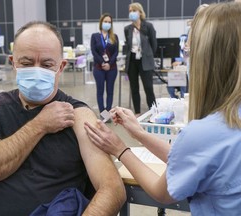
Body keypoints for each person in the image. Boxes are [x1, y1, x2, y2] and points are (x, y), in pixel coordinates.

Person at [84, 2, 241, 216]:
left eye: (190, 49)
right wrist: (138, 132)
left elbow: (162, 192)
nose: (187, 54)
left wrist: (120, 149)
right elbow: (190, 157)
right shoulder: (226, 125)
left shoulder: (204, 132)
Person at [0, 21, 125, 216]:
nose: (37, 70)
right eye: (26, 63)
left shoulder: (78, 115)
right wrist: (40, 124)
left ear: (61, 66)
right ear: (13, 62)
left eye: (47, 64)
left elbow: (112, 189)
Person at [124, 2, 157, 116]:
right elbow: (128, 46)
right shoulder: (127, 29)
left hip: (145, 61)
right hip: (132, 60)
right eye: (130, 11)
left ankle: (153, 111)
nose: (131, 13)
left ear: (140, 12)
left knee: (148, 87)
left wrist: (148, 55)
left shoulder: (148, 26)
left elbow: (154, 45)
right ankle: (137, 112)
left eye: (134, 10)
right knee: (134, 88)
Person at [90, 13, 119, 117]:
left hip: (112, 69)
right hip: (99, 68)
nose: (107, 23)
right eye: (105, 21)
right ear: (101, 22)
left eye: (109, 22)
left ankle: (108, 112)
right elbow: (94, 51)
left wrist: (109, 64)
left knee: (110, 91)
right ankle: (102, 113)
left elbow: (116, 52)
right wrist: (102, 63)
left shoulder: (114, 37)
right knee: (100, 91)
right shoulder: (95, 36)